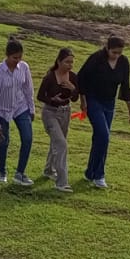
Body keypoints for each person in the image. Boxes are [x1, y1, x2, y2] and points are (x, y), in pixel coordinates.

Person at [76, 36, 130, 189]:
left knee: (100, 139)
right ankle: (99, 175)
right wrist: (83, 101)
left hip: (109, 103)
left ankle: (90, 172)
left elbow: (125, 86)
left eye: (119, 53)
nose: (116, 55)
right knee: (104, 136)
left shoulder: (123, 62)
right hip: (93, 100)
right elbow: (81, 77)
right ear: (107, 48)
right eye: (114, 52)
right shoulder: (96, 59)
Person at [0, 39, 36, 186]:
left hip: (21, 107)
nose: (17, 61)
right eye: (14, 58)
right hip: (3, 110)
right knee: (4, 142)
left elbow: (28, 89)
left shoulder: (24, 68)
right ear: (7, 56)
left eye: (20, 57)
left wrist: (32, 109)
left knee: (27, 138)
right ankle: (2, 172)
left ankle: (20, 174)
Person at [38, 48, 80, 192]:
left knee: (56, 142)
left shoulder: (72, 77)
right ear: (59, 61)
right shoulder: (50, 77)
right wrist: (52, 100)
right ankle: (62, 182)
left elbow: (75, 98)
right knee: (61, 144)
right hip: (50, 113)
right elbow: (40, 96)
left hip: (65, 113)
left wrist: (73, 88)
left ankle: (49, 170)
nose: (70, 65)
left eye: (72, 62)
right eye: (67, 62)